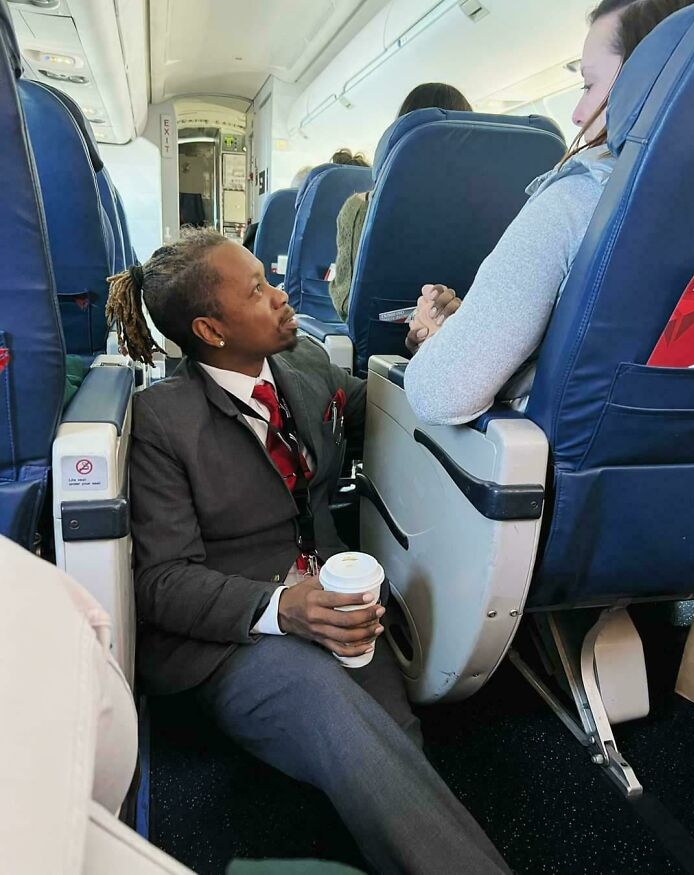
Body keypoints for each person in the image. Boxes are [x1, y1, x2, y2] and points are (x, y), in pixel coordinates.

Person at [105, 229, 510, 875]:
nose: (282, 297)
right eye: (259, 291)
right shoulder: (161, 420)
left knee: (393, 742)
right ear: (211, 330)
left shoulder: (306, 368)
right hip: (234, 637)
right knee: (337, 715)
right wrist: (281, 608)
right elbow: (161, 581)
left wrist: (432, 350)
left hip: (333, 603)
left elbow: (394, 405)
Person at [404, 0, 694, 425]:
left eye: (589, 86)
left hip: (556, 480)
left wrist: (438, 344)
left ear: (647, 83)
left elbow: (444, 393)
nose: (578, 115)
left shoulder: (579, 198)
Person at [329, 83, 472, 322]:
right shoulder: (494, 207)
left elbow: (346, 304)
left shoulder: (361, 208)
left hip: (381, 343)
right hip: (472, 337)